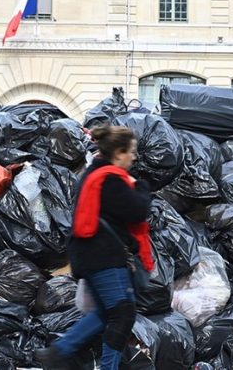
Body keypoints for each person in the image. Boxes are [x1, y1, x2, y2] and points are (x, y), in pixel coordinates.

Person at [36, 124, 154, 370]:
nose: (134, 157)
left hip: (90, 257)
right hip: (104, 258)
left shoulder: (94, 175)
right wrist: (142, 187)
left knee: (105, 313)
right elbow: (137, 211)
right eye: (131, 151)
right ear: (119, 153)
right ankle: (62, 354)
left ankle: (59, 352)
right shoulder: (109, 179)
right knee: (122, 314)